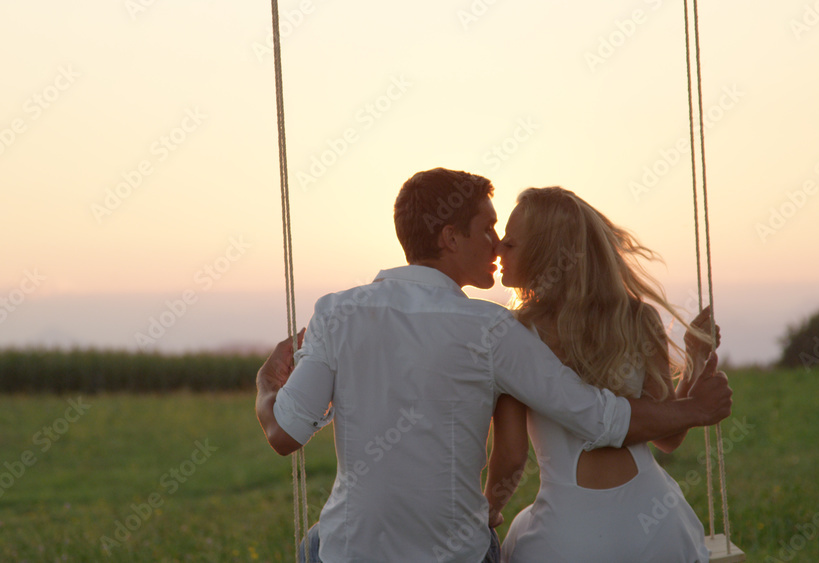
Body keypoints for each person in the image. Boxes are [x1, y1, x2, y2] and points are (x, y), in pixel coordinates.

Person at [255, 168, 732, 563]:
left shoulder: (339, 311)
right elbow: (603, 419)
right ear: (449, 238)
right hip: (625, 527)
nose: (497, 244)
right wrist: (694, 399)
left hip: (353, 550)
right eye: (489, 231)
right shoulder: (496, 330)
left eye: (505, 236)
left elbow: (284, 434)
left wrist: (265, 384)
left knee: (316, 544)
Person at [487, 186, 716, 562]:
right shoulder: (639, 319)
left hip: (567, 537)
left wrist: (489, 510)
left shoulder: (517, 336)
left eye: (510, 244)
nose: (498, 249)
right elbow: (669, 435)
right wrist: (693, 359)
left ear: (543, 254)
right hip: (658, 526)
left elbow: (512, 455)